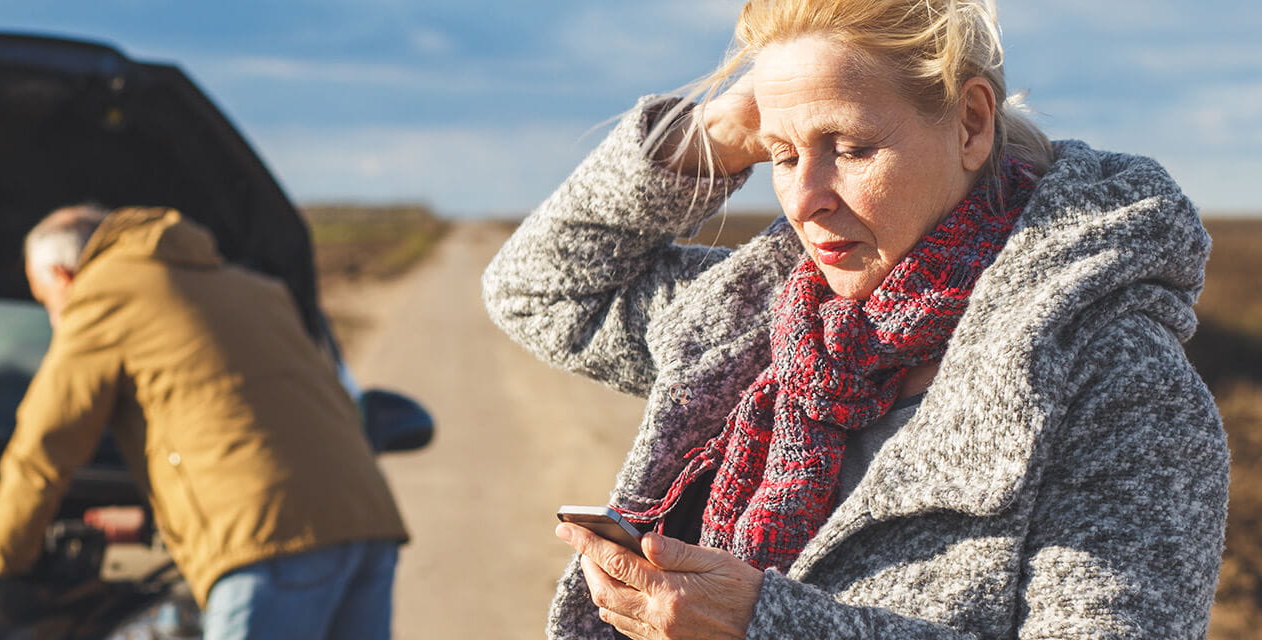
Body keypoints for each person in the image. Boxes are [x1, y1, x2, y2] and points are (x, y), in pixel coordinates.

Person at [482, 0, 1228, 638]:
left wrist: (764, 623)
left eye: (850, 147)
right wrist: (712, 130)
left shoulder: (1117, 381)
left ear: (971, 123)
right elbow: (539, 290)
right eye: (780, 157)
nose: (805, 199)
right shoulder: (753, 323)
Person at [0, 205, 408, 640]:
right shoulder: (252, 288)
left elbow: (48, 438)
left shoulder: (104, 294)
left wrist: (0, 556)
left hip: (268, 541)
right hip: (367, 523)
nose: (54, 318)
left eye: (44, 300)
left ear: (62, 276)